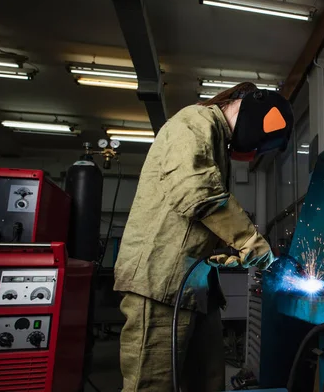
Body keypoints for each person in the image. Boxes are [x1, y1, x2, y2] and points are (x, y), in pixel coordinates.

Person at [113, 82, 294, 391]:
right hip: (161, 284)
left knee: (209, 383)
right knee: (153, 385)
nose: (252, 152)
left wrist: (227, 250)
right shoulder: (195, 121)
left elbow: (198, 223)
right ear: (251, 107)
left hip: (196, 292)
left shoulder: (216, 142)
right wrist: (254, 245)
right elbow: (198, 193)